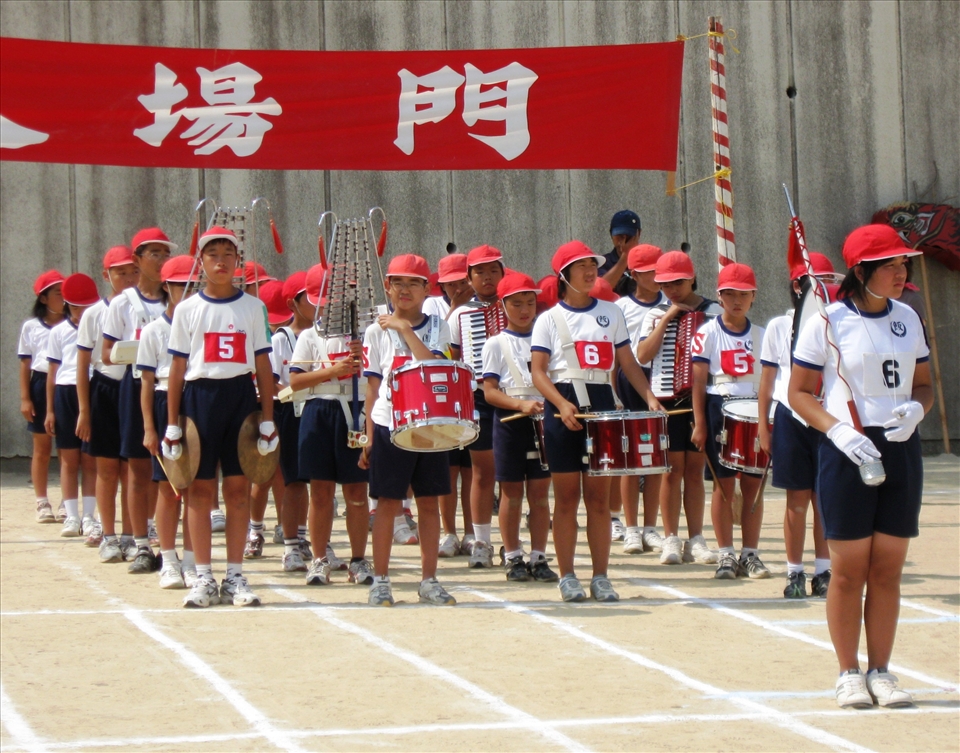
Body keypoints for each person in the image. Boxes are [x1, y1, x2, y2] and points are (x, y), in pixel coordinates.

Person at [790, 224, 932, 709]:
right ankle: (848, 672)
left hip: (899, 445)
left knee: (888, 569)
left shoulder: (909, 318)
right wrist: (837, 430)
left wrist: (917, 411)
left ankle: (882, 672)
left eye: (904, 263)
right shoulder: (826, 322)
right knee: (849, 571)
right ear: (861, 271)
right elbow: (799, 393)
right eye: (891, 264)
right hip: (847, 448)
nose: (902, 271)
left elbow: (925, 384)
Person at [531, 240, 662, 602]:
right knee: (567, 499)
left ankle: (601, 576)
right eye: (581, 266)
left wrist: (649, 396)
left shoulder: (612, 312)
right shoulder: (548, 319)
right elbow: (539, 373)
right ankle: (567, 575)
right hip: (563, 406)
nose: (591, 272)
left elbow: (628, 361)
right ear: (564, 275)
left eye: (593, 265)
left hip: (603, 404)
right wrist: (559, 404)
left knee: (600, 501)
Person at [164, 227, 277, 609]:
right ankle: (203, 577)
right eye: (213, 253)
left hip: (240, 396)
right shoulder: (187, 309)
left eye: (229, 253)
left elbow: (263, 362)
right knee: (198, 489)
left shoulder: (253, 307)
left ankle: (235, 575)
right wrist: (172, 421)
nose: (221, 260)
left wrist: (267, 416)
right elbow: (178, 368)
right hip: (200, 398)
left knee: (237, 488)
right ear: (202, 261)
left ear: (238, 261)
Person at [359, 254, 455, 607]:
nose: (405, 289)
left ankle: (429, 580)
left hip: (430, 425)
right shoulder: (374, 330)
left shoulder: (438, 326)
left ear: (426, 289)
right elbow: (372, 386)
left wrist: (404, 329)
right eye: (398, 282)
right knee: (388, 503)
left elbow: (435, 365)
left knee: (429, 503)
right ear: (387, 285)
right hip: (388, 423)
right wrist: (368, 434)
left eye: (413, 282)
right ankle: (381, 580)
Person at [289, 264, 374, 587]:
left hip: (356, 409)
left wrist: (361, 361)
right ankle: (319, 558)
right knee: (320, 491)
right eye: (323, 299)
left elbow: (379, 373)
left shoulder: (368, 334)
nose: (332, 305)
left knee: (356, 490)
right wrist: (332, 371)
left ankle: (357, 559)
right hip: (320, 410)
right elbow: (295, 380)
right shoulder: (310, 335)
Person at [636, 252, 721, 566]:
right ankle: (670, 537)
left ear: (692, 278)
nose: (672, 289)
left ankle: (696, 538)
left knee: (696, 471)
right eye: (666, 284)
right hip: (667, 398)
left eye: (678, 283)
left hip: (703, 398)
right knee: (671, 471)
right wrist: (669, 317)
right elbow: (643, 355)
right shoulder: (655, 313)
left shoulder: (713, 311)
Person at [758, 252, 835, 599]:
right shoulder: (779, 326)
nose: (824, 289)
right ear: (798, 286)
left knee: (824, 499)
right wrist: (763, 424)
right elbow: (768, 380)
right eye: (816, 283)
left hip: (828, 417)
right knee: (796, 501)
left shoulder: (837, 322)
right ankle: (794, 573)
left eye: (828, 282)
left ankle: (824, 569)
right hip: (791, 415)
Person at [102, 227, 176, 574]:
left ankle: (173, 545)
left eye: (165, 253)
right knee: (137, 466)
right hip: (137, 385)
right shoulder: (123, 303)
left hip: (171, 386)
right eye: (154, 254)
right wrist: (138, 349)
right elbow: (106, 353)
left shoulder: (175, 298)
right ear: (137, 259)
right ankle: (140, 542)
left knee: (172, 466)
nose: (161, 260)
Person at [691, 263, 770, 580]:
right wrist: (699, 423)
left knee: (753, 487)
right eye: (730, 294)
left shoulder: (763, 335)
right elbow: (698, 381)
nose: (737, 301)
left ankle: (750, 552)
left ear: (753, 296)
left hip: (754, 405)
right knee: (724, 488)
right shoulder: (707, 333)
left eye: (743, 294)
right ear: (720, 297)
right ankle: (726, 553)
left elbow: (768, 382)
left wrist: (766, 422)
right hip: (719, 405)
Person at [481, 273, 557, 583]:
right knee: (511, 493)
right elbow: (489, 390)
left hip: (544, 419)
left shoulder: (548, 338)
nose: (525, 310)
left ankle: (539, 555)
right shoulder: (496, 343)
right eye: (517, 304)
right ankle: (512, 555)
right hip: (510, 422)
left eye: (530, 302)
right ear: (503, 305)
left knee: (540, 494)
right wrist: (520, 405)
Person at [76, 245, 140, 559]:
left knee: (131, 467)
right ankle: (108, 535)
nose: (128, 277)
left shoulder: (140, 306)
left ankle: (131, 535)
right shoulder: (93, 313)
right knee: (106, 469)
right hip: (103, 387)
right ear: (107, 275)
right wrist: (84, 410)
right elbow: (83, 362)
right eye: (120, 272)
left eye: (133, 270)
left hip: (134, 386)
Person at [137, 254, 197, 589]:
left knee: (194, 487)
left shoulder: (202, 324)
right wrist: (149, 427)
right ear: (167, 286)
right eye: (180, 285)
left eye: (193, 285)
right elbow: (146, 382)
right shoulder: (154, 331)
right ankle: (169, 559)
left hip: (197, 397)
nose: (187, 292)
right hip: (163, 401)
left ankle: (192, 559)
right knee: (167, 487)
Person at [449, 245, 505, 568]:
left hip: (513, 395)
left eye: (493, 270)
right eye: (480, 271)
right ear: (469, 277)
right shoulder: (460, 314)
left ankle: (513, 543)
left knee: (513, 475)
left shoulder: (517, 303)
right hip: (478, 396)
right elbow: (452, 358)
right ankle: (481, 541)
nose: (487, 277)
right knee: (482, 473)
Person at [613, 244, 667, 555]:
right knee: (629, 457)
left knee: (656, 456)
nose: (658, 277)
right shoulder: (621, 307)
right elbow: (616, 358)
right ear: (634, 274)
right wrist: (614, 395)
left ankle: (650, 527)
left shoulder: (670, 302)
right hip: (630, 382)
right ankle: (631, 528)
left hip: (662, 382)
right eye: (651, 272)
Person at [425, 252, 475, 557]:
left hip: (468, 395)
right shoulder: (434, 305)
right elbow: (435, 343)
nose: (456, 288)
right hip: (443, 396)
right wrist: (455, 308)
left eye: (461, 282)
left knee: (470, 468)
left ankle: (471, 531)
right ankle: (449, 531)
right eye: (449, 284)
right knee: (448, 467)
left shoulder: (479, 308)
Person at [44, 273, 99, 539]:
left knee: (90, 459)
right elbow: (51, 373)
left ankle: (90, 516)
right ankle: (72, 515)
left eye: (87, 306)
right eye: (76, 306)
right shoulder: (58, 332)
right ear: (66, 305)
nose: (82, 312)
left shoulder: (101, 328)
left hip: (92, 391)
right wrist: (50, 410)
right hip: (65, 394)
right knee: (68, 459)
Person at [19, 270, 66, 524]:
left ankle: (66, 502)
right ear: (44, 298)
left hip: (67, 384)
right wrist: (25, 397)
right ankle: (41, 501)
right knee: (42, 448)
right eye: (58, 293)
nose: (64, 297)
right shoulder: (31, 326)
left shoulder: (74, 323)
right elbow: (25, 363)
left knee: (69, 449)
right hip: (39, 384)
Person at [598, 209, 642, 296]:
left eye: (628, 236)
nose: (623, 241)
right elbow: (601, 290)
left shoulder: (648, 261)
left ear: (638, 234)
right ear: (611, 235)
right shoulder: (602, 263)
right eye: (619, 236)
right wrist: (625, 256)